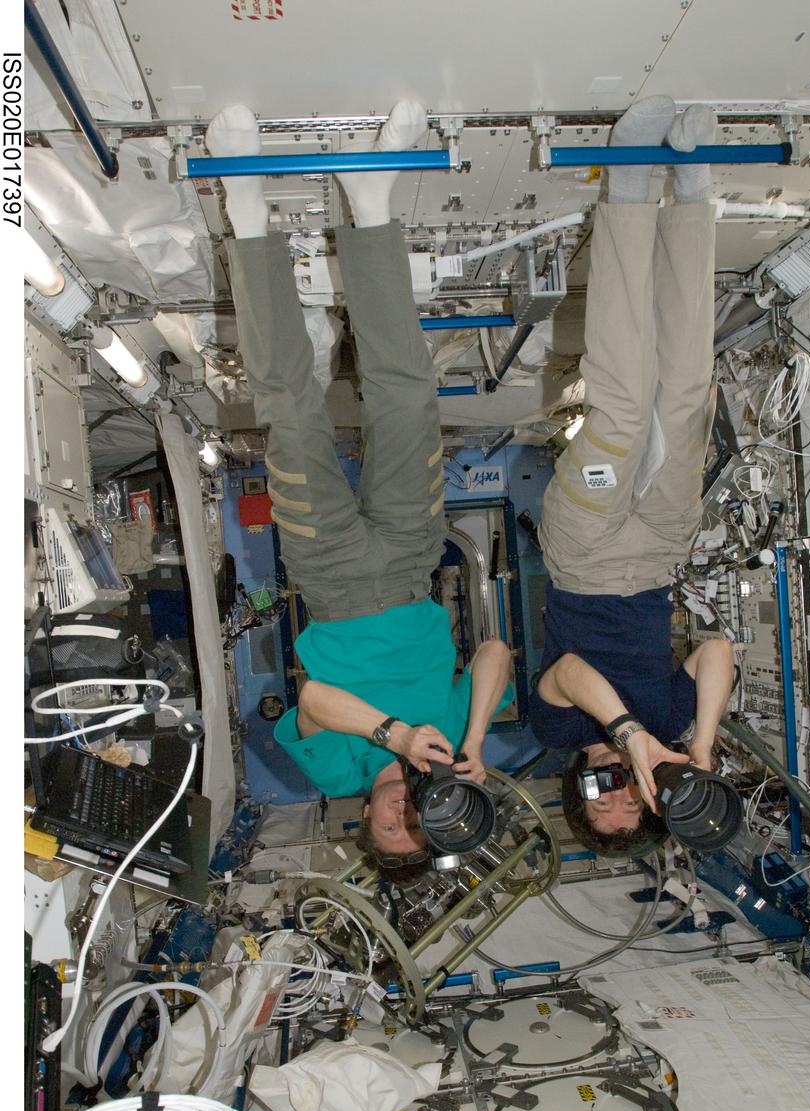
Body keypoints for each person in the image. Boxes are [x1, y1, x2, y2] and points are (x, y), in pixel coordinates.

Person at [206, 102, 513, 859]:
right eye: (423, 821)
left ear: (364, 824)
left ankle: (247, 223)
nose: (406, 811)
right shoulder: (447, 747)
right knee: (408, 397)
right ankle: (369, 205)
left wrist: (393, 735)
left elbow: (310, 701)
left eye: (391, 828)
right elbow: (495, 654)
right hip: (413, 561)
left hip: (333, 576)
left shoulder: (339, 774)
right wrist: (472, 739)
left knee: (294, 412)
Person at [530, 96, 735, 854]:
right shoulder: (672, 724)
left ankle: (629, 186)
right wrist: (699, 750)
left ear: (576, 784)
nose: (616, 780)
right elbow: (715, 651)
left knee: (618, 408)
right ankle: (692, 191)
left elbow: (573, 669)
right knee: (684, 396)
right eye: (631, 798)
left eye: (598, 792)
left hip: (583, 555)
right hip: (655, 553)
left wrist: (624, 733)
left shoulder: (560, 726)